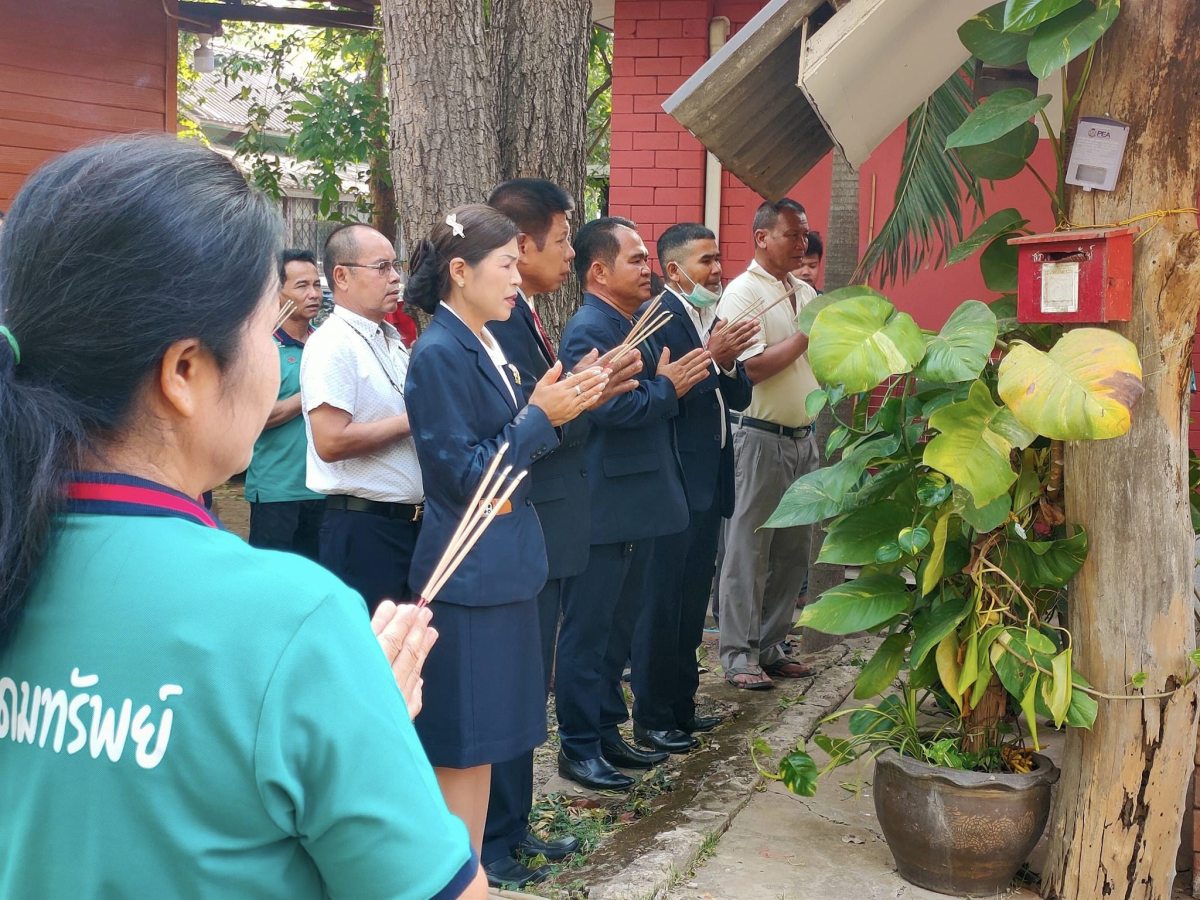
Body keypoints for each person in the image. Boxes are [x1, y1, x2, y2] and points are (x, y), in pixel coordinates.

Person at [0, 136, 486, 899]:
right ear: (186, 372)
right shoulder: (292, 621)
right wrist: (362, 728)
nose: (273, 354)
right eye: (265, 331)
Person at [403, 204, 609, 859]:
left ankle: (494, 853)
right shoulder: (439, 351)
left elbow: (508, 442)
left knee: (494, 734)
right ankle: (465, 868)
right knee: (466, 739)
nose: (517, 278)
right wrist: (537, 419)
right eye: (506, 265)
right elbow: (462, 476)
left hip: (506, 562)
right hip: (468, 571)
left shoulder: (485, 340)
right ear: (460, 272)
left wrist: (551, 408)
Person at [481, 179, 641, 886]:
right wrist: (577, 398)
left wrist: (583, 391)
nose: (568, 254)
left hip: (552, 513)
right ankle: (493, 841)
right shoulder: (493, 324)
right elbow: (514, 429)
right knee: (514, 687)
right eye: (558, 241)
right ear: (520, 244)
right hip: (527, 515)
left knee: (527, 686)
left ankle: (512, 832)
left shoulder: (529, 313)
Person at [555, 217, 712, 791]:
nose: (649, 269)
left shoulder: (630, 321)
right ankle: (576, 745)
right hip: (606, 502)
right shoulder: (588, 327)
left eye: (647, 259)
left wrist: (663, 385)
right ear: (598, 270)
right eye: (637, 259)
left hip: (638, 500)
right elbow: (607, 408)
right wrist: (668, 387)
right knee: (589, 630)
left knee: (617, 630)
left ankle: (604, 731)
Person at [631, 224, 758, 751]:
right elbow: (668, 395)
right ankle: (653, 715)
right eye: (705, 261)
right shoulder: (657, 320)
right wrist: (711, 352)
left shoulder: (707, 316)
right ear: (674, 271)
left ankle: (682, 706)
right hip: (673, 481)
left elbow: (739, 397)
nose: (717, 269)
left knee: (689, 604)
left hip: (709, 480)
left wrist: (725, 358)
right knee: (661, 605)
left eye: (718, 257)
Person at [714, 199, 821, 691]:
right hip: (759, 437)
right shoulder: (742, 293)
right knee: (749, 549)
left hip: (804, 438)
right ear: (761, 237)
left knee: (794, 550)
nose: (802, 244)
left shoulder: (803, 290)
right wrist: (806, 337)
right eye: (791, 235)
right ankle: (737, 654)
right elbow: (749, 368)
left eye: (804, 235)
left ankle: (773, 645)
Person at [301, 224, 423, 613]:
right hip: (364, 527)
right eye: (382, 267)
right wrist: (415, 419)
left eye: (396, 266)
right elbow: (331, 441)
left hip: (406, 526)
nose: (395, 278)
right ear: (342, 276)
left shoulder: (388, 339)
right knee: (371, 652)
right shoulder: (333, 343)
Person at [244, 249, 325, 559]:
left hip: (324, 491)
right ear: (277, 292)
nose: (313, 294)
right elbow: (256, 418)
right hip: (276, 491)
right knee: (270, 588)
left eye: (317, 285)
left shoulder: (325, 345)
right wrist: (311, 394)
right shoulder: (260, 348)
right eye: (302, 286)